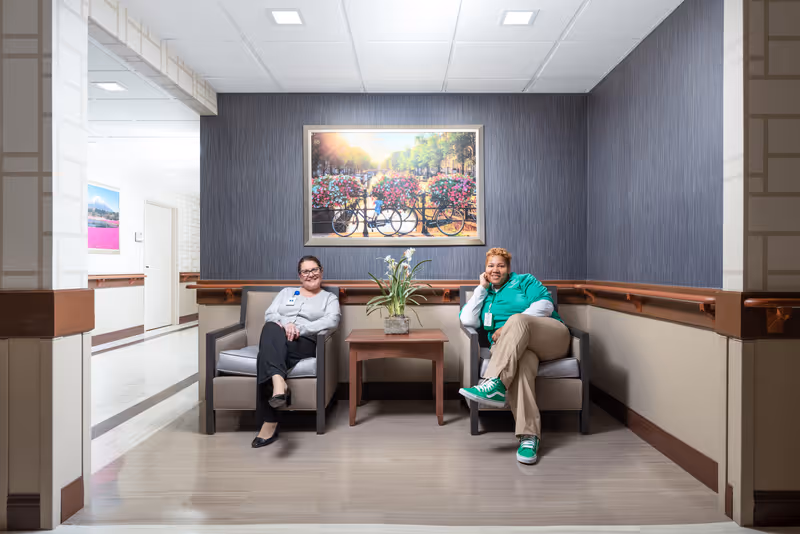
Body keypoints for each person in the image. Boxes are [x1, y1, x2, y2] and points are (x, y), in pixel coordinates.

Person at [458, 248, 569, 465]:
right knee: (522, 365)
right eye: (491, 265)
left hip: (549, 337)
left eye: (500, 265)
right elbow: (468, 321)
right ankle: (529, 438)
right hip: (515, 350)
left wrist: (511, 325)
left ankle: (495, 382)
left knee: (517, 319)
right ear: (485, 268)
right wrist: (481, 288)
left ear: (509, 269)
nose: (495, 269)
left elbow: (545, 306)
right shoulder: (485, 293)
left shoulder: (525, 281)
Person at [251, 256, 341, 448]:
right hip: (278, 336)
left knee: (265, 354)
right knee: (270, 327)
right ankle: (278, 382)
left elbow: (332, 320)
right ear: (300, 276)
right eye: (306, 271)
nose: (311, 275)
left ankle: (269, 423)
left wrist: (302, 328)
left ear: (321, 271)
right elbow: (270, 314)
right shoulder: (286, 293)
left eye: (314, 270)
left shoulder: (329, 298)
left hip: (304, 342)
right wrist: (286, 324)